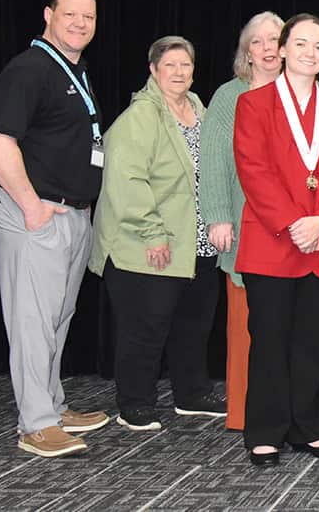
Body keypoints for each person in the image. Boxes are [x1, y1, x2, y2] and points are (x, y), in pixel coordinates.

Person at [233, 13, 319, 467]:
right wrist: (293, 223)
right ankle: (264, 431)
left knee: (310, 341)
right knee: (269, 338)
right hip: (273, 241)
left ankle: (308, 428)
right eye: (301, 44)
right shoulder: (254, 105)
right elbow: (254, 170)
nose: (310, 53)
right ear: (282, 50)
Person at [0, 0, 110, 458]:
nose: (80, 24)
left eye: (89, 17)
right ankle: (35, 424)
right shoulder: (28, 70)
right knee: (32, 323)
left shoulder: (74, 73)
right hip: (37, 214)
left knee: (56, 320)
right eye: (70, 15)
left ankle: (53, 405)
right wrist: (31, 207)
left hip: (72, 216)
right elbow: (0, 144)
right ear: (48, 15)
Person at [89, 36, 225, 430]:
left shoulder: (199, 110)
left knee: (192, 327)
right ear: (153, 70)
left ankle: (192, 394)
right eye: (170, 65)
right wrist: (153, 234)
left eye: (186, 65)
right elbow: (126, 182)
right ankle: (134, 402)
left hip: (196, 245)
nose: (179, 73)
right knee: (144, 330)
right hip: (149, 245)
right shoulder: (140, 119)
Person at [202, 10, 284, 432]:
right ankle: (243, 414)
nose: (269, 48)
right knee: (245, 327)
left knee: (289, 330)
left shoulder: (308, 92)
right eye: (259, 41)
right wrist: (216, 216)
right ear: (246, 51)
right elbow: (213, 160)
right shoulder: (227, 97)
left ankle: (283, 412)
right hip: (241, 225)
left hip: (293, 235)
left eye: (276, 39)